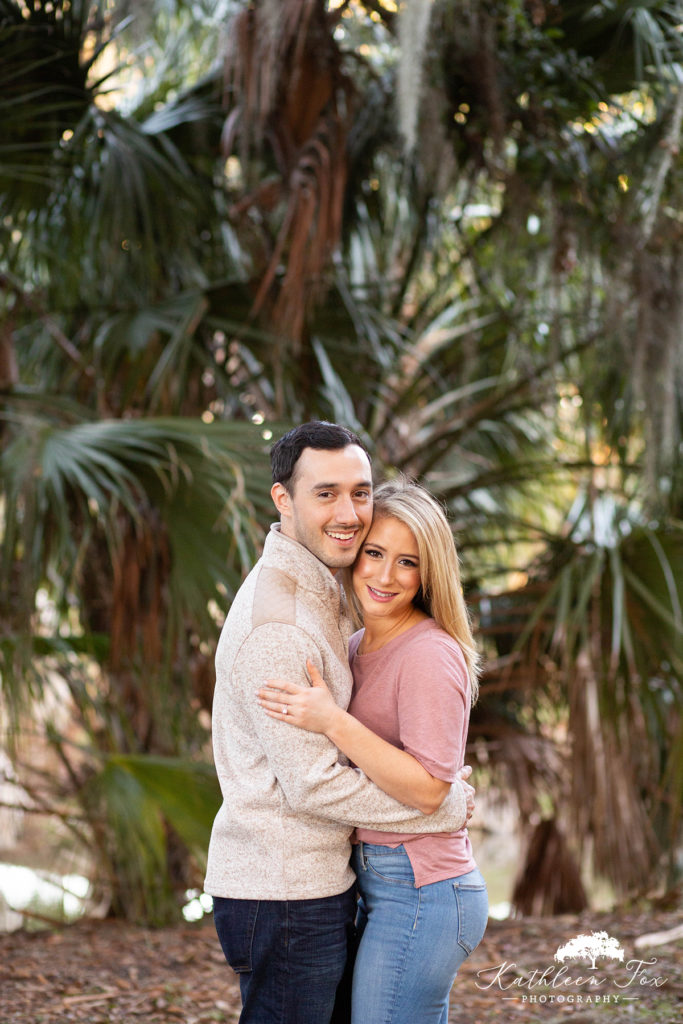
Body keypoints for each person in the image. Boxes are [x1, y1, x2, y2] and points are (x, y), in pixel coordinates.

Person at [204, 422, 475, 1024]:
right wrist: (440, 806)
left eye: (360, 492)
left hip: (315, 884)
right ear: (283, 499)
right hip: (285, 892)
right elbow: (313, 783)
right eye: (325, 493)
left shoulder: (324, 593)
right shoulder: (282, 626)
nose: (348, 513)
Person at [257, 477, 488, 1024]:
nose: (385, 576)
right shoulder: (355, 646)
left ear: (428, 574)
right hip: (380, 881)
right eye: (375, 553)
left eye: (408, 563)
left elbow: (430, 791)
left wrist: (332, 721)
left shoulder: (429, 653)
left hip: (423, 888)